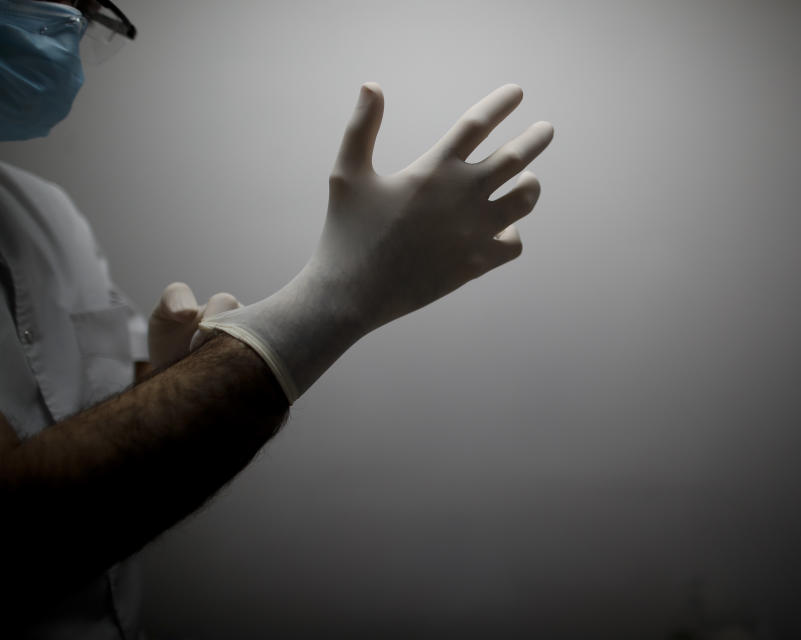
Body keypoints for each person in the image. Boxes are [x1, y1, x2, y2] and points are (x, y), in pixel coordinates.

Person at [0, 0, 555, 636]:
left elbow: (97, 454)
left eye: (90, 9)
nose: (69, 25)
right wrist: (342, 296)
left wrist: (166, 386)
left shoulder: (45, 215)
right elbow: (18, 531)